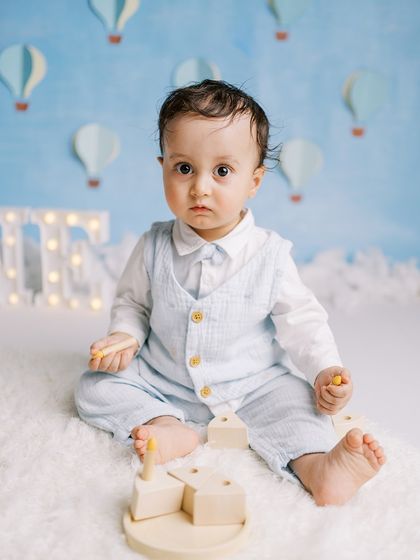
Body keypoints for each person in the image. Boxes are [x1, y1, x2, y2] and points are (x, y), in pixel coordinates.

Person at [75, 79, 385, 506]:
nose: (200, 187)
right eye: (184, 168)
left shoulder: (271, 255)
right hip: (165, 379)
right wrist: (124, 337)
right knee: (94, 385)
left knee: (297, 405)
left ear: (254, 181)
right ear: (162, 166)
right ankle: (166, 425)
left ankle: (320, 468)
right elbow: (132, 304)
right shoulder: (152, 246)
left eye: (222, 171)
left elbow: (303, 322)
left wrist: (325, 371)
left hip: (255, 384)